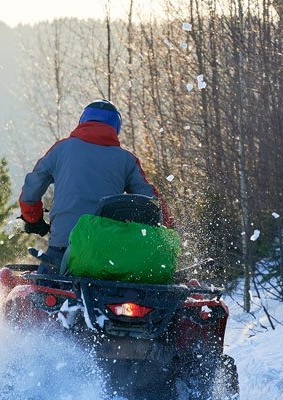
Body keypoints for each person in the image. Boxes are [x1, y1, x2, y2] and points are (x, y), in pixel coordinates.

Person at [19, 99, 172, 273]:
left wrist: (34, 220)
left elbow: (30, 191)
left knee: (44, 292)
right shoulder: (127, 160)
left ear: (83, 121)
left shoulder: (61, 149)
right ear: (116, 128)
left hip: (61, 250)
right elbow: (153, 203)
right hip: (107, 253)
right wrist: (169, 230)